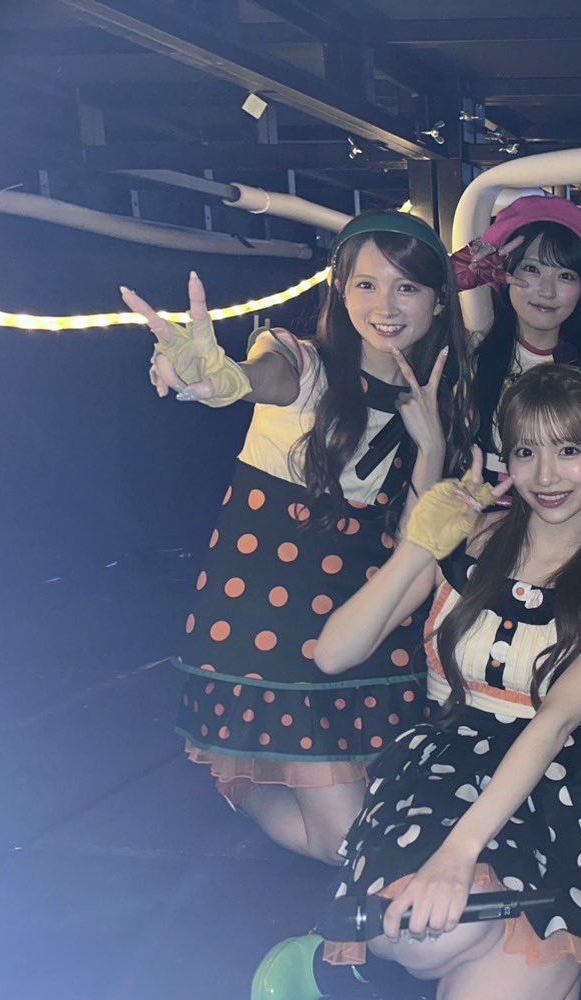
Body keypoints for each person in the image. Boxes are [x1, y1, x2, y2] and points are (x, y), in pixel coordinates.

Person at [250, 364, 581, 1000]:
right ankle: (391, 954)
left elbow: (555, 722)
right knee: (421, 936)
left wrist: (457, 857)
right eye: (526, 451)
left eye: (569, 449)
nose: (547, 474)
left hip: (559, 781)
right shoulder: (471, 539)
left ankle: (533, 937)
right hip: (447, 763)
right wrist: (419, 545)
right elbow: (334, 653)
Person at [120, 211, 476, 862]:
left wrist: (431, 447)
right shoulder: (306, 364)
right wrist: (227, 380)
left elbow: (416, 546)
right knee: (350, 845)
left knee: (400, 819)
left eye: (406, 287)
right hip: (274, 632)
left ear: (437, 301)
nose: (386, 306)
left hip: (365, 629)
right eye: (366, 285)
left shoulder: (446, 401)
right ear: (340, 290)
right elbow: (266, 373)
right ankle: (244, 789)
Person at [450, 194, 581, 480]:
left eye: (565, 276)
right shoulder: (470, 352)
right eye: (532, 269)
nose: (547, 291)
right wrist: (448, 281)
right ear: (505, 273)